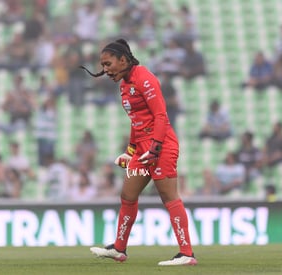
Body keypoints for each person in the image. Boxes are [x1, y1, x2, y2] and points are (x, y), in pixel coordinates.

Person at [81, 38, 197, 266]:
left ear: (123, 60)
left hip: (160, 146)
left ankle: (187, 254)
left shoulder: (145, 79)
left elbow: (161, 116)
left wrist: (155, 148)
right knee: (127, 196)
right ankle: (119, 249)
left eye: (108, 64)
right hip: (142, 150)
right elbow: (136, 122)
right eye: (102, 65)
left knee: (168, 197)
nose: (105, 70)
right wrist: (130, 151)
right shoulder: (125, 84)